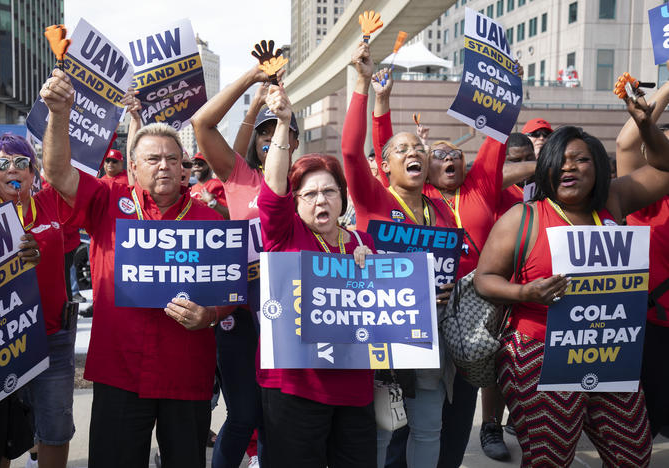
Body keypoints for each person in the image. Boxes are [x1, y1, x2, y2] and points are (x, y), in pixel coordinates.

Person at [40, 68, 231, 468]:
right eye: (152, 158)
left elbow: (230, 290)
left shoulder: (210, 222)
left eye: (171, 159)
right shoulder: (108, 200)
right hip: (121, 371)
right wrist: (59, 114)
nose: (163, 166)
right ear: (134, 165)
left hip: (186, 372)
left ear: (184, 167)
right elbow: (58, 173)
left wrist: (210, 314)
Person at [473, 93, 669, 465]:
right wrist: (523, 291)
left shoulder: (612, 202)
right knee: (551, 456)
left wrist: (646, 125)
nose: (571, 167)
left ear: (598, 169)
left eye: (582, 160)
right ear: (545, 168)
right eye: (561, 160)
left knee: (633, 453)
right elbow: (485, 279)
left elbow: (665, 170)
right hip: (538, 354)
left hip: (610, 352)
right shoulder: (523, 218)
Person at [342, 42, 454, 468]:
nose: (414, 154)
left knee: (428, 428)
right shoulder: (374, 199)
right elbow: (353, 151)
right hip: (383, 329)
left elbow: (454, 262)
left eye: (420, 150)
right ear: (384, 166)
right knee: (379, 427)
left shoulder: (440, 208)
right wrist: (365, 86)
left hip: (432, 333)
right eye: (402, 151)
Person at [259, 82, 376, 468]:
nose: (320, 200)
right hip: (295, 386)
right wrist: (283, 122)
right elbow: (273, 190)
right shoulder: (285, 232)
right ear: (295, 203)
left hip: (352, 388)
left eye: (329, 191)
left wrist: (373, 271)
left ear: (342, 197)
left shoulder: (363, 243)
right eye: (309, 194)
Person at [191, 62, 297, 468]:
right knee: (243, 417)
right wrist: (252, 80)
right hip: (239, 314)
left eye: (281, 133)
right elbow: (203, 123)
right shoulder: (238, 176)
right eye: (264, 134)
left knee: (276, 421)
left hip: (290, 314)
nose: (271, 140)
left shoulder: (305, 184)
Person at [0, 131, 73, 468]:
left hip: (52, 336)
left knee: (54, 428)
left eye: (21, 162)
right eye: (2, 163)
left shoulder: (52, 202)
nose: (13, 169)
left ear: (34, 171)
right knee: (0, 430)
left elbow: (77, 162)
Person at [615, 77, 669, 440]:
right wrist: (666, 90)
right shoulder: (645, 198)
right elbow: (625, 142)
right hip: (654, 328)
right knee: (644, 427)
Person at [190, 152, 229, 219]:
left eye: (200, 164)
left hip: (213, 228)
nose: (196, 166)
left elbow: (229, 215)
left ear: (210, 166)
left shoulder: (218, 185)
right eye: (194, 164)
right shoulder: (190, 189)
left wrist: (211, 201)